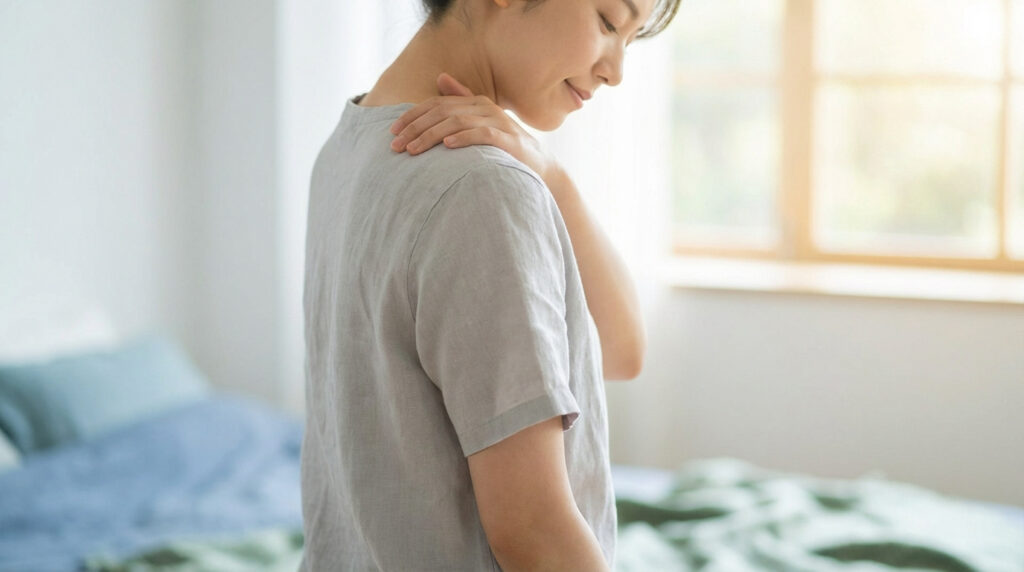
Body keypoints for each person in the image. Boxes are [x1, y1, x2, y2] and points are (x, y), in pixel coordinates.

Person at [299, 0, 680, 570]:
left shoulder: (348, 144)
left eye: (632, 38)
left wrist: (553, 176)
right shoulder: (481, 189)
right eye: (606, 21)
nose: (616, 71)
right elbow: (535, 533)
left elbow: (620, 351)